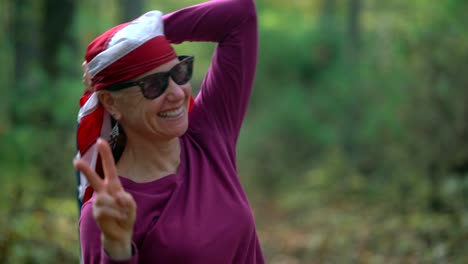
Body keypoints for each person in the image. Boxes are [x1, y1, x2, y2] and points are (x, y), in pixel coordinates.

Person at [73, 0, 264, 263]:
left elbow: (239, 15)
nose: (177, 92)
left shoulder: (208, 136)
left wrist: (146, 31)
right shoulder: (107, 213)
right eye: (153, 85)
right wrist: (117, 250)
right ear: (111, 102)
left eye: (179, 71)